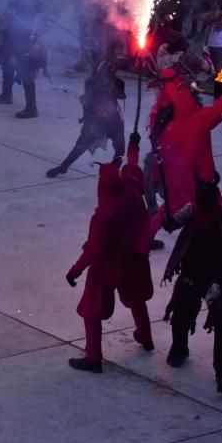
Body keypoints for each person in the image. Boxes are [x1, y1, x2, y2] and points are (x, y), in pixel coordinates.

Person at [65, 133, 155, 373]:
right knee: (137, 299)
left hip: (108, 267)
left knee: (91, 311)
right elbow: (133, 169)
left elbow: (93, 249)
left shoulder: (103, 215)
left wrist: (75, 271)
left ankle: (93, 358)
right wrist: (133, 146)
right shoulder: (133, 191)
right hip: (134, 260)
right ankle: (146, 338)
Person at [162, 179, 222, 393]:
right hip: (191, 272)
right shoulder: (192, 210)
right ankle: (179, 349)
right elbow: (176, 221)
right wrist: (169, 221)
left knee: (221, 321)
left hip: (217, 278)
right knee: (181, 314)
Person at [145, 66, 222, 236]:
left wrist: (158, 177)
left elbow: (159, 157)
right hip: (200, 185)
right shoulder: (201, 118)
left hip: (177, 182)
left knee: (163, 212)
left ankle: (142, 244)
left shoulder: (167, 125)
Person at [47, 57, 126, 177]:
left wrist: (112, 89)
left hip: (113, 120)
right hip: (96, 120)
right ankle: (64, 167)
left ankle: (113, 174)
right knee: (81, 145)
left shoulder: (117, 83)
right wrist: (87, 119)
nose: (104, 79)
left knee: (120, 149)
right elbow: (86, 103)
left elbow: (122, 95)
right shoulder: (91, 83)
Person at [0, 0, 46, 118]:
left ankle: (32, 108)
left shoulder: (35, 9)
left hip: (27, 42)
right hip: (13, 38)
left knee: (26, 72)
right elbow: (4, 22)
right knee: (7, 64)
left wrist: (35, 43)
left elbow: (38, 28)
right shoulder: (16, 3)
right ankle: (6, 95)